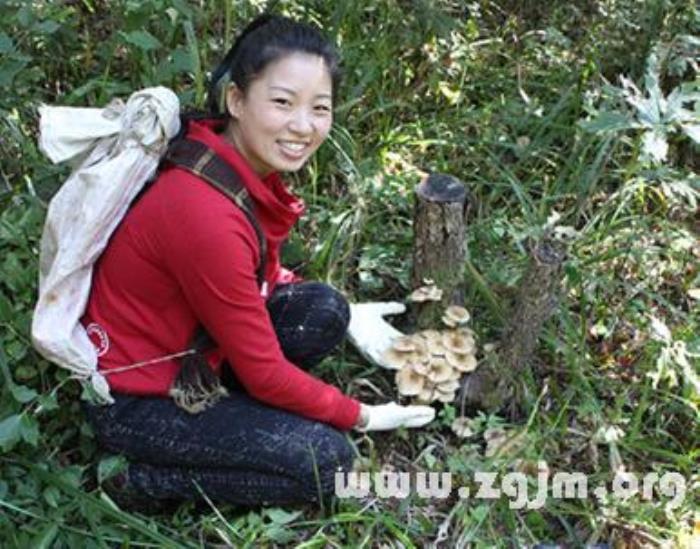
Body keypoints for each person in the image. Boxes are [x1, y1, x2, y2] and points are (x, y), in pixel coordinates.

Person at [81, 14, 434, 510]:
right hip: (138, 399)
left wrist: (351, 314)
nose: (303, 126)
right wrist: (360, 415)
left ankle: (238, 414)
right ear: (237, 101)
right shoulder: (202, 212)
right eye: (283, 103)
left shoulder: (228, 157)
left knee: (325, 310)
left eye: (320, 108)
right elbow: (265, 369)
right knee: (328, 464)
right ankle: (140, 482)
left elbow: (255, 275)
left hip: (196, 349)